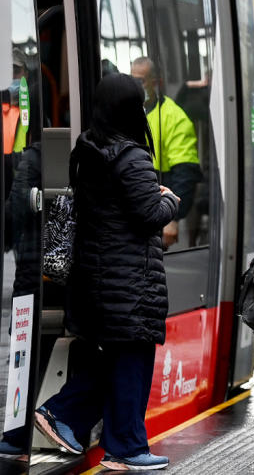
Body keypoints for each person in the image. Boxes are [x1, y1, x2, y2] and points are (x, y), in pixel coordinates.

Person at [30, 73, 180, 471]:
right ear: (132, 108)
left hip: (98, 278)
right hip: (128, 281)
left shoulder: (88, 152)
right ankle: (110, 438)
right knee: (132, 361)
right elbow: (149, 213)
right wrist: (169, 200)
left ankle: (111, 441)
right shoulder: (132, 157)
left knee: (119, 361)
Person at [131, 57, 202, 249]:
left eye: (141, 81)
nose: (137, 86)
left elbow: (185, 172)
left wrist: (173, 218)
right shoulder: (126, 111)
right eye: (133, 80)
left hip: (156, 210)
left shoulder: (174, 117)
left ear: (156, 82)